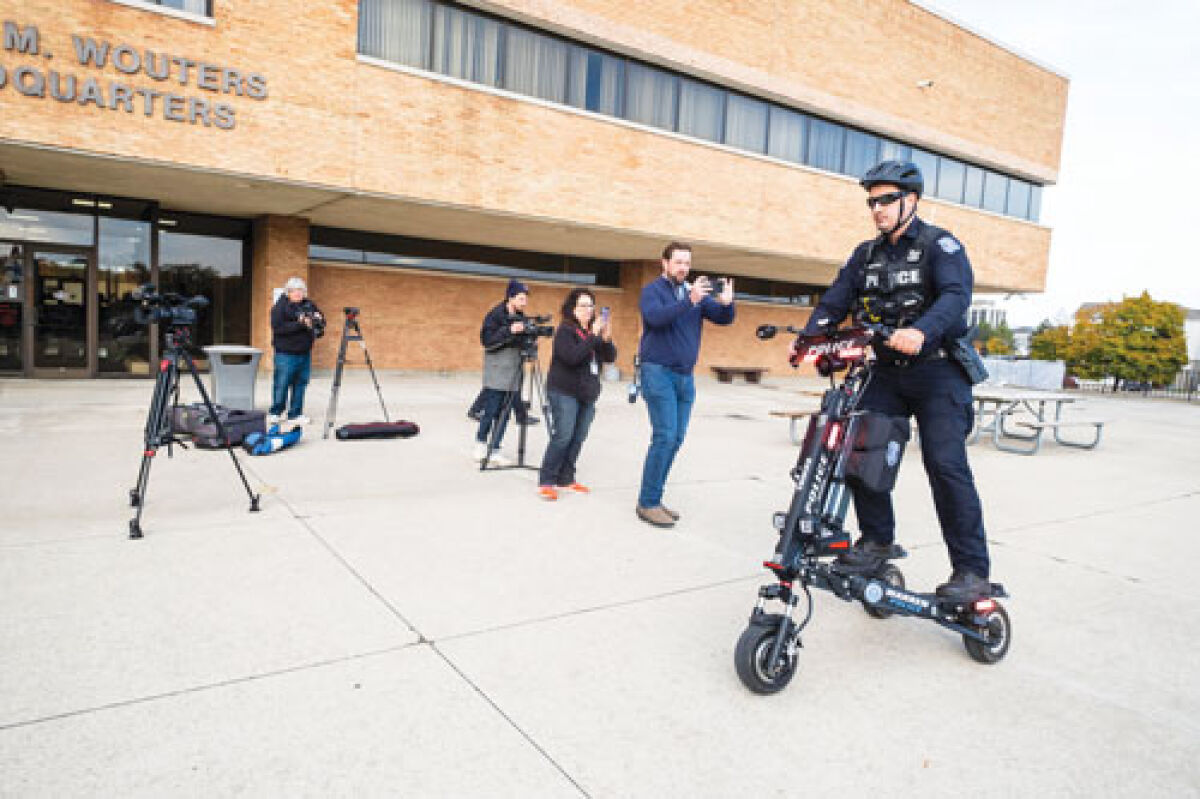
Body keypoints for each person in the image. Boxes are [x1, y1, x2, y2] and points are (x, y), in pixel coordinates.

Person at [800, 159, 991, 602]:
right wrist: (811, 341)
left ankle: (971, 571)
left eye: (887, 200)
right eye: (872, 201)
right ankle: (876, 541)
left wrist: (921, 330)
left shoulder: (939, 246)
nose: (877, 209)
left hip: (938, 370)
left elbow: (956, 298)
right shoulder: (864, 255)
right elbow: (834, 301)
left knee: (945, 465)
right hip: (885, 372)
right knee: (859, 453)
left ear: (912, 200)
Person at [635, 242, 735, 528]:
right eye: (678, 262)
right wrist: (689, 300)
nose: (683, 268)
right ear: (664, 263)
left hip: (684, 377)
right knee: (665, 437)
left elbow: (722, 318)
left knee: (676, 439)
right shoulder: (653, 291)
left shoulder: (695, 294)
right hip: (658, 372)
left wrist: (727, 304)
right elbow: (655, 319)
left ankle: (655, 496)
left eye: (687, 263)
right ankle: (648, 502)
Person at [536, 288, 617, 500]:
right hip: (564, 391)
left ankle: (566, 479)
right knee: (563, 435)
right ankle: (546, 480)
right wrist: (592, 336)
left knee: (578, 437)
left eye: (591, 305)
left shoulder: (594, 333)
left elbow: (609, 358)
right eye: (583, 305)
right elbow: (572, 357)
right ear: (573, 309)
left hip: (587, 393)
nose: (588, 310)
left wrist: (607, 339)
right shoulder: (565, 330)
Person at [474, 279, 532, 464]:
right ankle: (481, 444)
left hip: (514, 369)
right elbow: (487, 340)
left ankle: (496, 448)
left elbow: (522, 341)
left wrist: (530, 341)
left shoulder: (522, 317)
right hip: (497, 369)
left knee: (505, 412)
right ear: (510, 297)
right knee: (491, 410)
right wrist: (509, 330)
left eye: (525, 299)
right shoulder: (494, 315)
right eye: (521, 298)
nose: (525, 302)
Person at [269, 277, 324, 426]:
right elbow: (278, 328)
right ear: (288, 292)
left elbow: (321, 321)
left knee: (300, 384)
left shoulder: (309, 305)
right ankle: (275, 413)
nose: (298, 293)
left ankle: (295, 414)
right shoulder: (280, 307)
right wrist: (300, 324)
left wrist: (318, 318)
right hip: (285, 354)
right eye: (294, 291)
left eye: (301, 290)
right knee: (282, 384)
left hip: (304, 353)